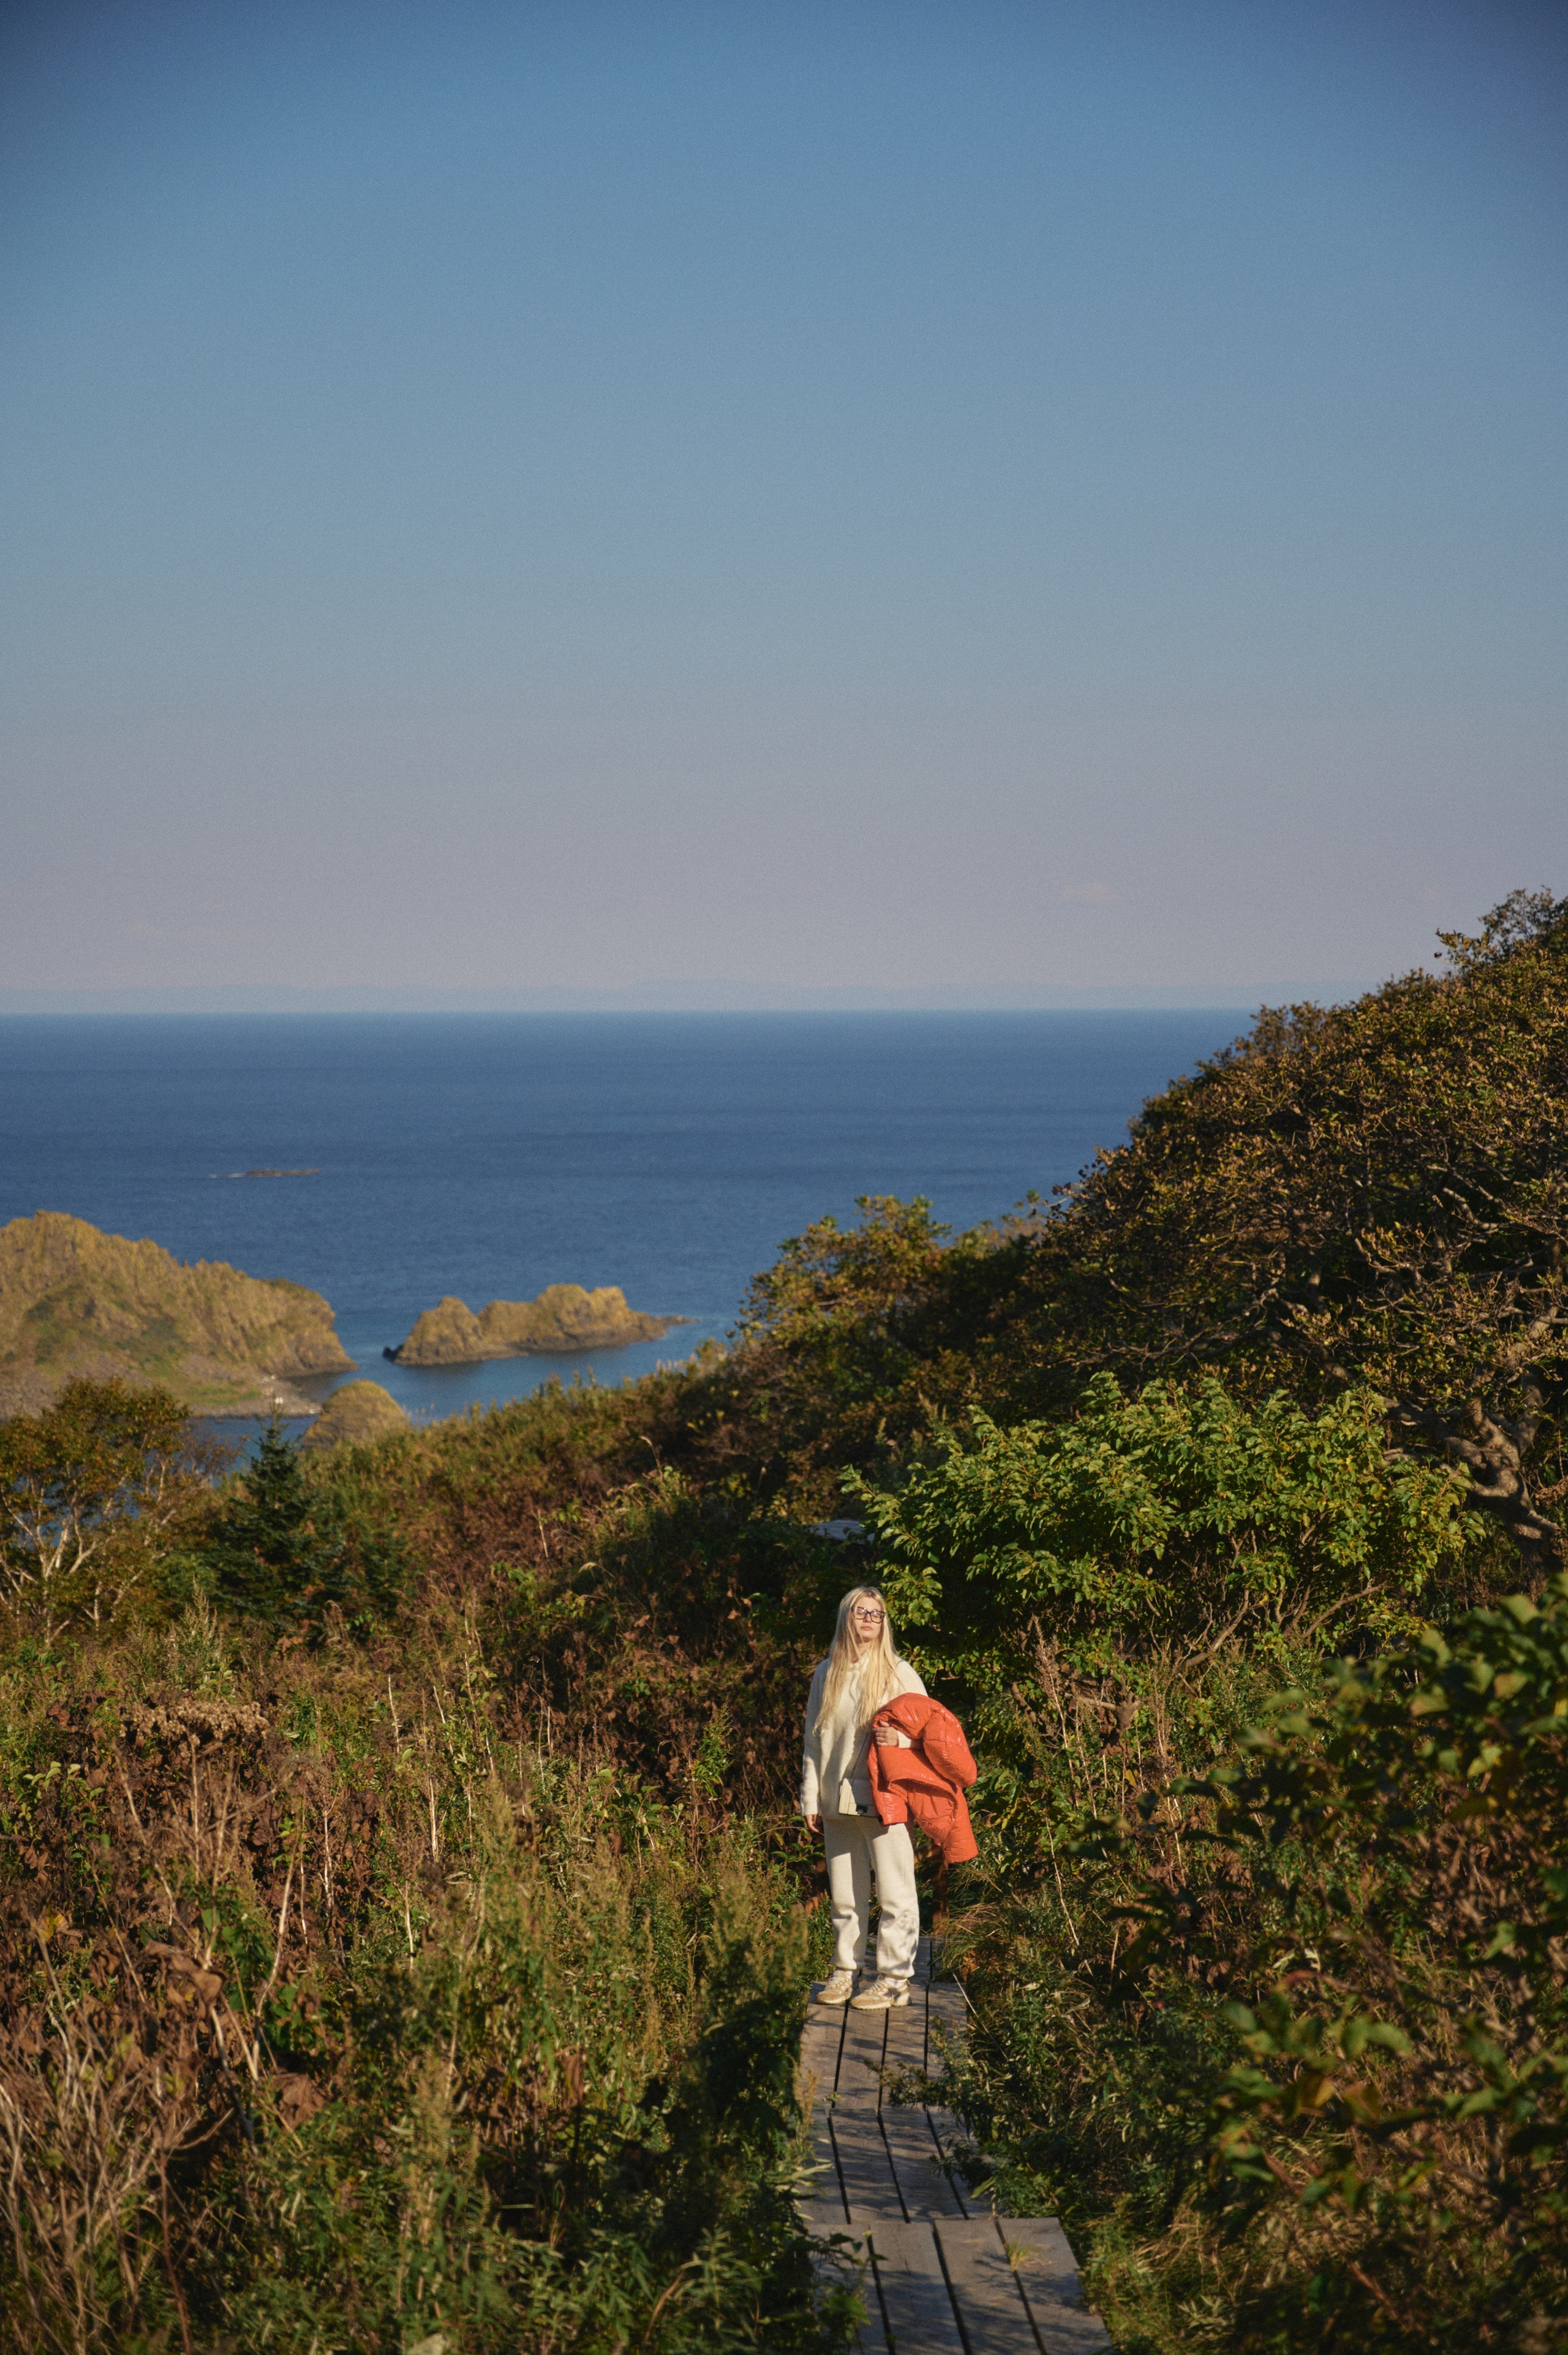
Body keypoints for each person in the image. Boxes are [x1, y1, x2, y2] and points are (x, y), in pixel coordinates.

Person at [800, 1584, 925, 2011]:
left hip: (884, 1796)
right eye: (862, 1612)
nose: (870, 1619)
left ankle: (894, 1980)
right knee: (845, 1893)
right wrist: (810, 1798)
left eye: (877, 1614)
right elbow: (814, 1743)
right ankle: (844, 1973)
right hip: (835, 1796)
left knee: (895, 1890)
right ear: (846, 1617)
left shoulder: (897, 1672)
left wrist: (903, 1741)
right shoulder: (826, 1672)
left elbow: (933, 1733)